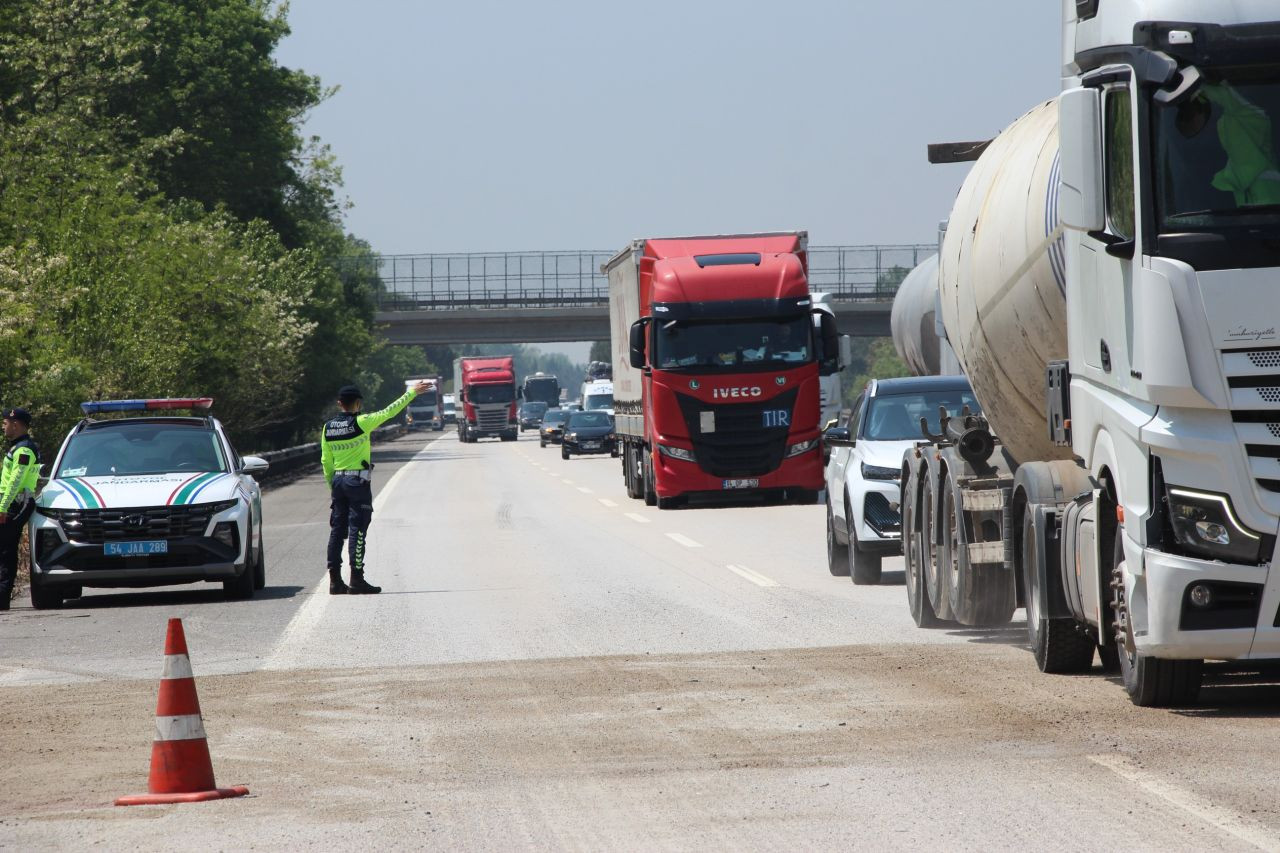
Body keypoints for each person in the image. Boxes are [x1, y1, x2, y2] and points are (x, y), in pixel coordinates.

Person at [321, 381, 430, 595]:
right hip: (357, 483)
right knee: (357, 530)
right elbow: (390, 411)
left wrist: (332, 488)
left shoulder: (328, 427)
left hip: (338, 482)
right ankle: (356, 579)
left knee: (337, 531)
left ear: (339, 404)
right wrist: (410, 394)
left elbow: (326, 461)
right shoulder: (363, 422)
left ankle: (334, 581)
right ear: (358, 403)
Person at [0, 408, 40, 610]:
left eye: (5, 423)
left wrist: (3, 507)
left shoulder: (23, 449)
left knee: (5, 551)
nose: (3, 426)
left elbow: (15, 481)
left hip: (16, 504)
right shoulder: (17, 447)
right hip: (11, 503)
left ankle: (2, 598)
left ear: (16, 425)